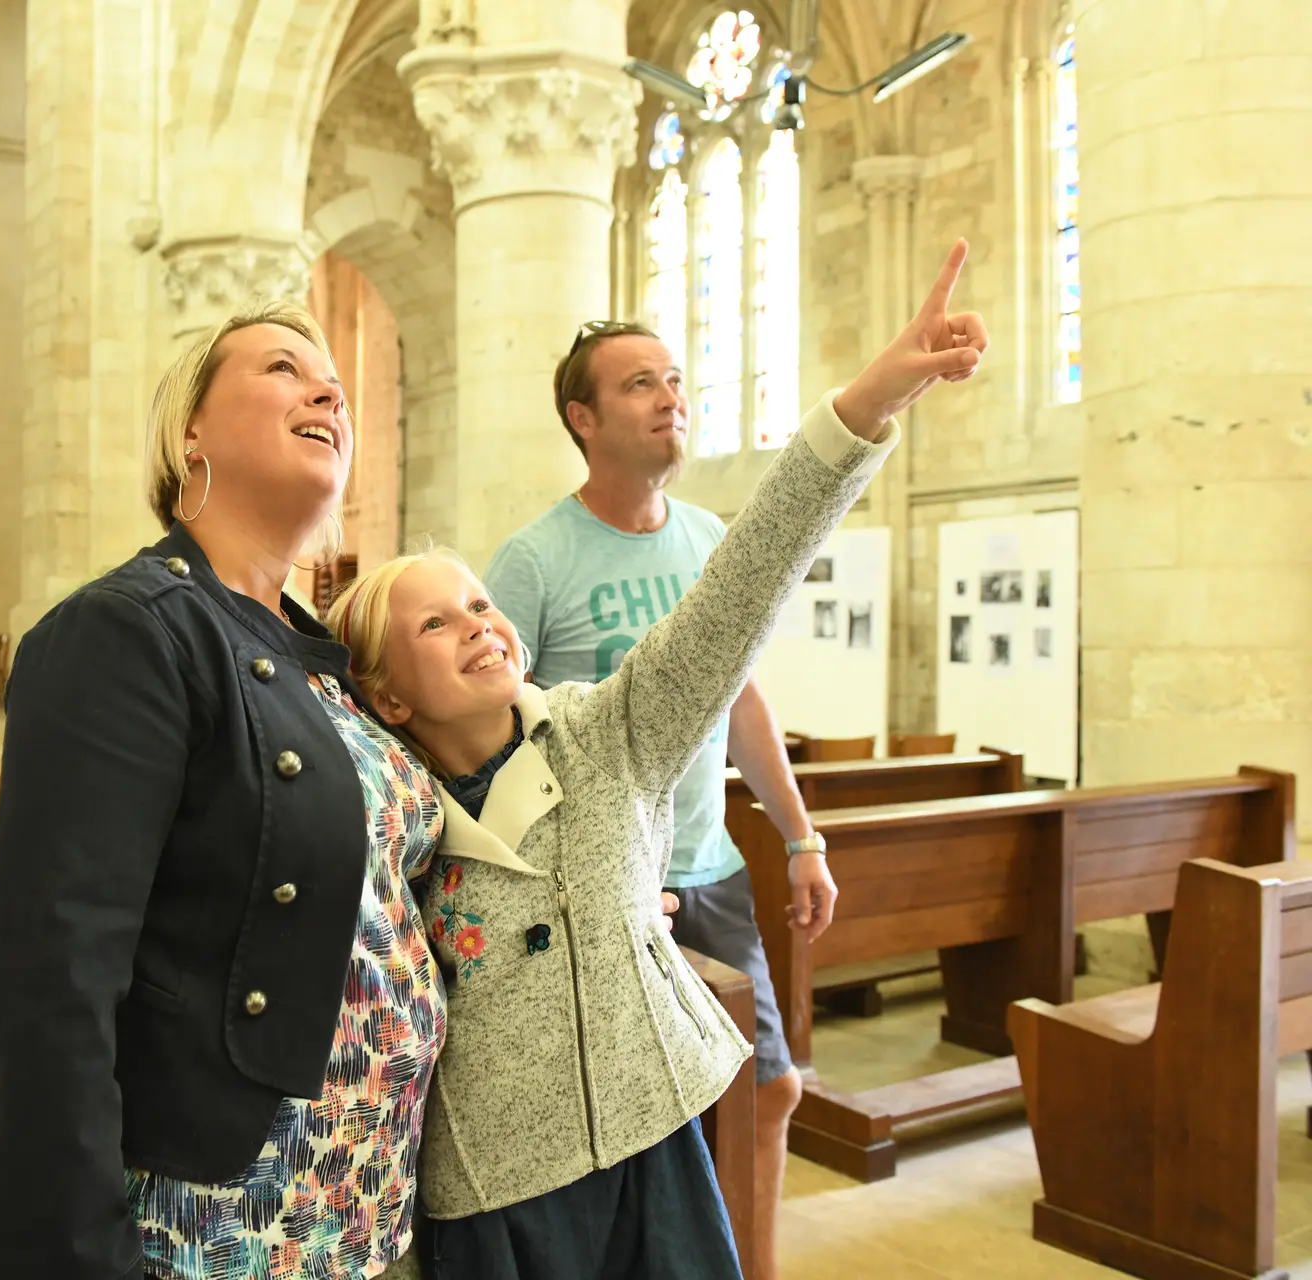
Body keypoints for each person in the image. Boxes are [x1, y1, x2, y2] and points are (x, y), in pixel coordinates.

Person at [327, 241, 987, 1278]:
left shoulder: (606, 735)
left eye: (480, 607)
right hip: (496, 1189)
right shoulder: (389, 824)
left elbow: (748, 580)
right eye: (436, 624)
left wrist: (873, 395)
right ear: (388, 693)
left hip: (649, 1136)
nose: (480, 625)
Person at [0, 302, 445, 1278]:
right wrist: (68, 1259)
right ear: (190, 431)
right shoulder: (129, 632)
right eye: (283, 369)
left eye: (335, 385)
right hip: (221, 1222)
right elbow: (50, 980)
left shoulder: (323, 661)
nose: (327, 390)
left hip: (371, 1199)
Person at [479, 325, 836, 1280]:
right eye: (641, 384)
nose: (671, 397)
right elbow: (487, 733)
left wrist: (800, 836)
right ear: (583, 419)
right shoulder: (533, 562)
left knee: (771, 1090)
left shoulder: (710, 540)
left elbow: (743, 698)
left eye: (675, 379)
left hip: (707, 871)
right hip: (603, 899)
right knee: (634, 1125)